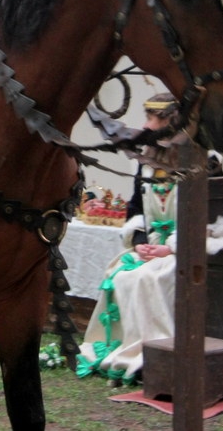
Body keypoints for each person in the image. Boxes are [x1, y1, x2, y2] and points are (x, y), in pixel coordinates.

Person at [76, 93, 184, 385]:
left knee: (148, 277)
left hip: (186, 250)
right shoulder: (145, 163)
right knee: (121, 273)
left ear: (172, 123)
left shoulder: (202, 163)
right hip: (152, 247)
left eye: (153, 119)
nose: (146, 126)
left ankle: (159, 354)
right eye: (147, 118)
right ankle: (127, 347)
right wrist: (140, 242)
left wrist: (169, 248)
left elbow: (209, 214)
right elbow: (136, 208)